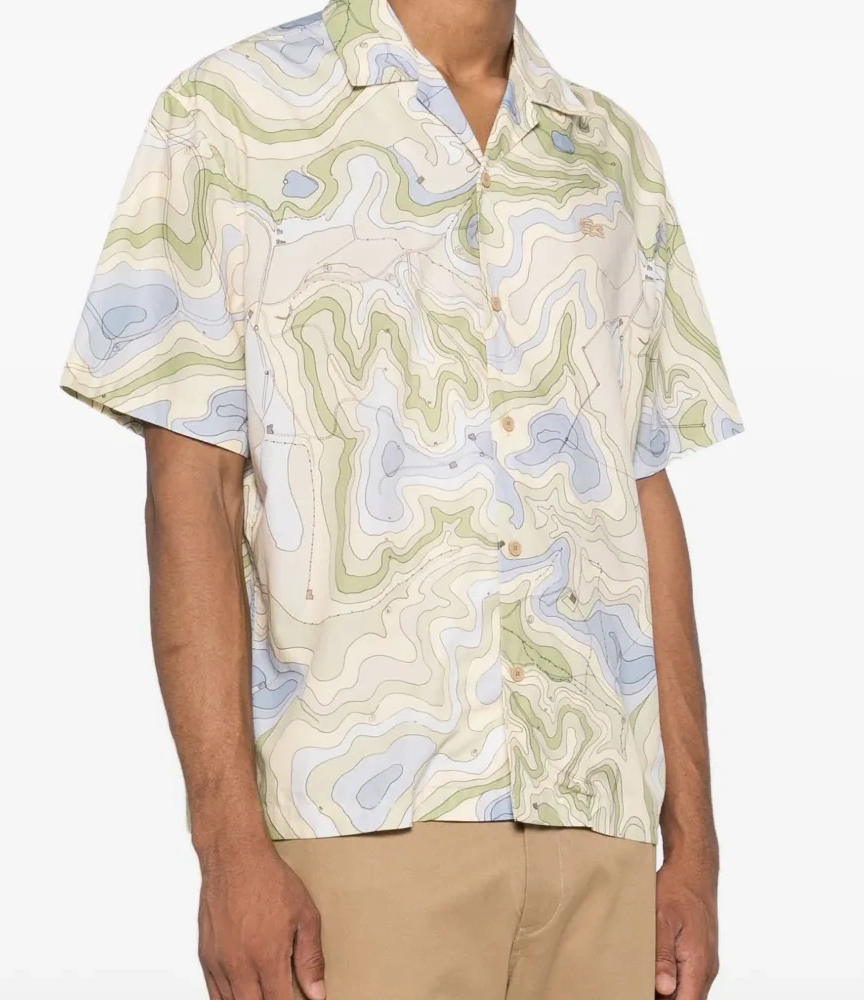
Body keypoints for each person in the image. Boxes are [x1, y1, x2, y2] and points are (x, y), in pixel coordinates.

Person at [59, 0, 743, 997]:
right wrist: (230, 848)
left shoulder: (608, 150)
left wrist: (694, 850)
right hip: (355, 830)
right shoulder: (229, 112)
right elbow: (190, 492)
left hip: (601, 834)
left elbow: (641, 494)